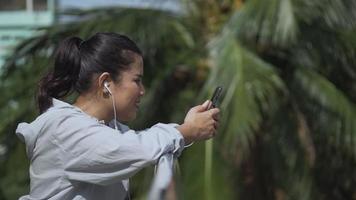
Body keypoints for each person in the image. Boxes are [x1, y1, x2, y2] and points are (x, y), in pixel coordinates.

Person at [15, 32, 220, 200]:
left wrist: (186, 128)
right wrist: (188, 131)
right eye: (137, 80)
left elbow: (145, 140)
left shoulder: (109, 129)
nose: (142, 91)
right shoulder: (64, 129)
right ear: (106, 82)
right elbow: (135, 148)